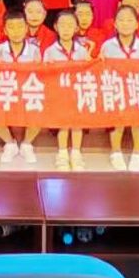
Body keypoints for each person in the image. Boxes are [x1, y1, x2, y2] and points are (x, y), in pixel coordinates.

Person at [99, 4, 139, 172]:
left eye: (130, 20)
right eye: (121, 20)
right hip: (116, 90)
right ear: (115, 24)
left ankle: (137, 154)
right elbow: (101, 69)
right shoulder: (107, 46)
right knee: (118, 124)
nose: (125, 24)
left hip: (137, 90)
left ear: (137, 24)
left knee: (137, 124)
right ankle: (116, 153)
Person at [0, 9, 41, 165]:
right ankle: (10, 144)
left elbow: (39, 75)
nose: (16, 31)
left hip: (27, 92)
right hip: (6, 92)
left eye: (20, 27)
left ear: (26, 28)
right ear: (5, 30)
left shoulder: (34, 50)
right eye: (11, 27)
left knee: (39, 110)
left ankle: (26, 144)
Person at [44, 9, 89, 171]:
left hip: (76, 94)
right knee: (63, 124)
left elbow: (87, 71)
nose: (66, 29)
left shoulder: (82, 50)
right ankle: (62, 153)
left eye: (70, 25)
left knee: (77, 124)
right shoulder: (50, 51)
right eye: (62, 25)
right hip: (59, 94)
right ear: (56, 27)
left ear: (76, 28)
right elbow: (45, 74)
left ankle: (76, 153)